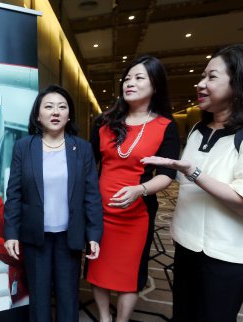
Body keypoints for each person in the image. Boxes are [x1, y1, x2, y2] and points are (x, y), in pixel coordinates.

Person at [141, 44, 243, 322]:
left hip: (228, 254)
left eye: (211, 77)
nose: (200, 84)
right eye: (202, 76)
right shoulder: (200, 128)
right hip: (187, 244)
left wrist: (194, 172)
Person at [86, 55, 181, 322]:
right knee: (97, 266)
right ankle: (104, 317)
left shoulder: (165, 126)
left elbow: (167, 174)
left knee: (130, 272)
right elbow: (88, 165)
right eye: (127, 78)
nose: (130, 83)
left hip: (136, 214)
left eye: (139, 78)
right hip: (100, 210)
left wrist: (140, 190)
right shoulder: (104, 122)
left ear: (155, 86)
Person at [3, 85, 103, 322]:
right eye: (48, 107)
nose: (55, 112)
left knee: (68, 296)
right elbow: (14, 193)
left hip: (70, 235)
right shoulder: (24, 147)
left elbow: (92, 194)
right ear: (38, 115)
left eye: (62, 107)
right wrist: (11, 232)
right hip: (35, 236)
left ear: (69, 115)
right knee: (39, 297)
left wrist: (94, 234)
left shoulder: (82, 148)